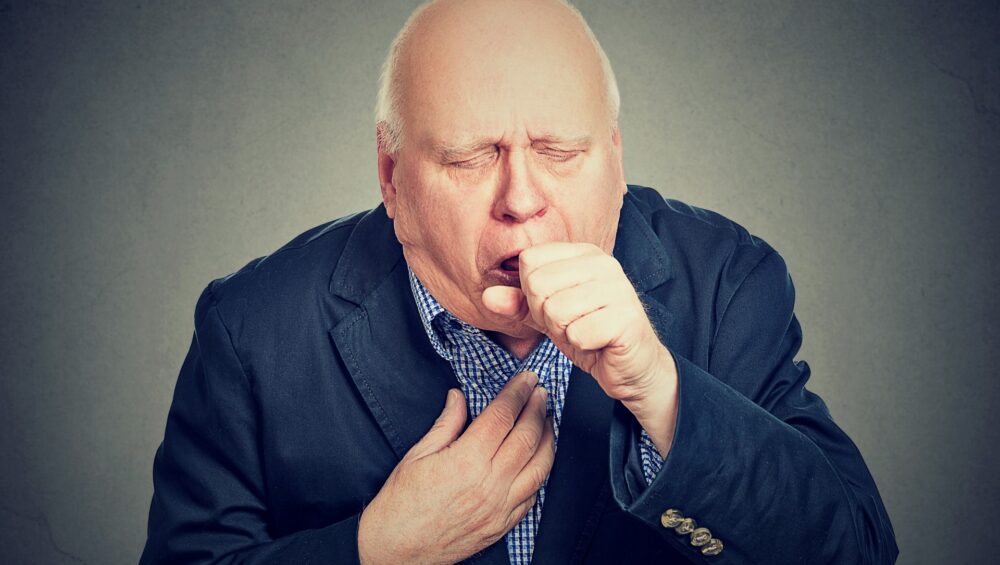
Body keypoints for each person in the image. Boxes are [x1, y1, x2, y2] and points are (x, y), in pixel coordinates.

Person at [139, 0, 898, 563]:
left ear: (616, 159)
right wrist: (376, 549)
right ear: (392, 176)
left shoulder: (728, 283)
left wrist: (663, 392)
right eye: (471, 157)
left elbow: (857, 548)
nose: (522, 199)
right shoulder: (252, 332)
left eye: (560, 151)